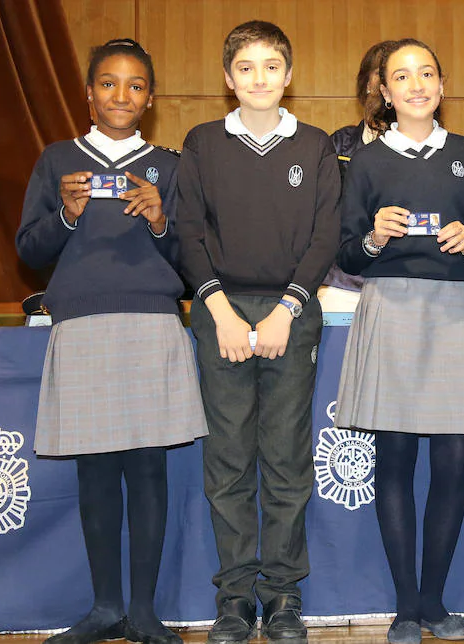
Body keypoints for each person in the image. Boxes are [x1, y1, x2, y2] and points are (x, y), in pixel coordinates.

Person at [16, 38, 207, 644]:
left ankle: (145, 612)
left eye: (134, 85)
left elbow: (192, 261)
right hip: (81, 326)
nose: (120, 95)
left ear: (149, 97)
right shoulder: (55, 161)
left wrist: (159, 221)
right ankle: (104, 608)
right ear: (89, 92)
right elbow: (28, 252)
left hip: (151, 324)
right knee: (95, 472)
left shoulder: (170, 167)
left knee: (147, 468)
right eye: (108, 83)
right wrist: (67, 215)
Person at [175, 20, 340, 644]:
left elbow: (325, 234)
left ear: (289, 75)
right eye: (246, 68)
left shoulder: (317, 145)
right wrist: (219, 310)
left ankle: (283, 595)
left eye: (272, 66)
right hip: (220, 313)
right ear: (228, 79)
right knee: (228, 459)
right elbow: (188, 230)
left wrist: (285, 310)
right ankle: (235, 598)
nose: (260, 78)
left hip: (290, 315)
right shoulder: (202, 143)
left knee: (287, 457)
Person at [335, 38, 464, 644]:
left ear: (442, 84)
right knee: (395, 461)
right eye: (401, 76)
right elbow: (347, 249)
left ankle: (435, 599)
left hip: (456, 309)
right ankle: (406, 605)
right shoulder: (368, 162)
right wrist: (375, 238)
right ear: (384, 91)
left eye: (426, 73)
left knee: (454, 463)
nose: (416, 85)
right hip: (391, 309)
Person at [318, 40, 394, 313]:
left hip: (405, 286)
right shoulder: (337, 146)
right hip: (343, 286)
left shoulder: (429, 148)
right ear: (367, 83)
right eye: (381, 71)